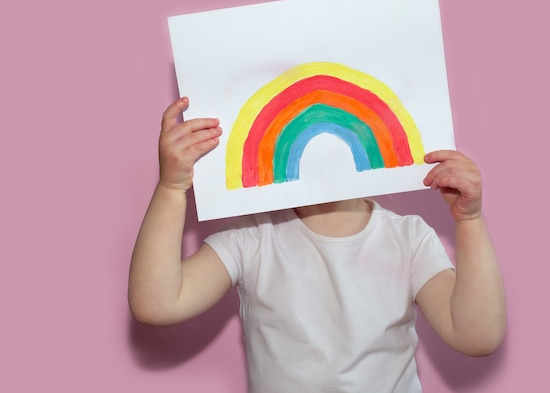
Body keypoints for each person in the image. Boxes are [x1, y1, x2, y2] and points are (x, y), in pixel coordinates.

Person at [129, 97, 506, 392]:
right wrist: (171, 188)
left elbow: (476, 335)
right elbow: (158, 303)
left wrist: (469, 221)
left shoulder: (409, 238)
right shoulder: (253, 237)